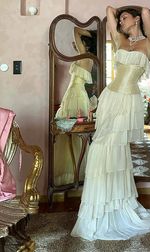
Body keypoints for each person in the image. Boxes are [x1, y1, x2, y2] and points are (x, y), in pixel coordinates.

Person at [71, 6, 150, 240]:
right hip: (110, 97)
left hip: (128, 100)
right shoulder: (120, 39)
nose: (120, 21)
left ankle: (116, 206)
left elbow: (146, 13)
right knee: (101, 147)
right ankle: (99, 207)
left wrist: (139, 13)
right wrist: (121, 17)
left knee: (117, 149)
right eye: (120, 19)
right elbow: (109, 11)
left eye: (125, 17)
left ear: (137, 19)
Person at [53, 28, 97, 186]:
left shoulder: (85, 57)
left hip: (75, 95)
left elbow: (75, 30)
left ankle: (72, 174)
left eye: (79, 43)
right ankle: (74, 172)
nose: (75, 43)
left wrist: (88, 33)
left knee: (69, 134)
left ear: (85, 44)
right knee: (73, 136)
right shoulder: (88, 58)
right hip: (76, 95)